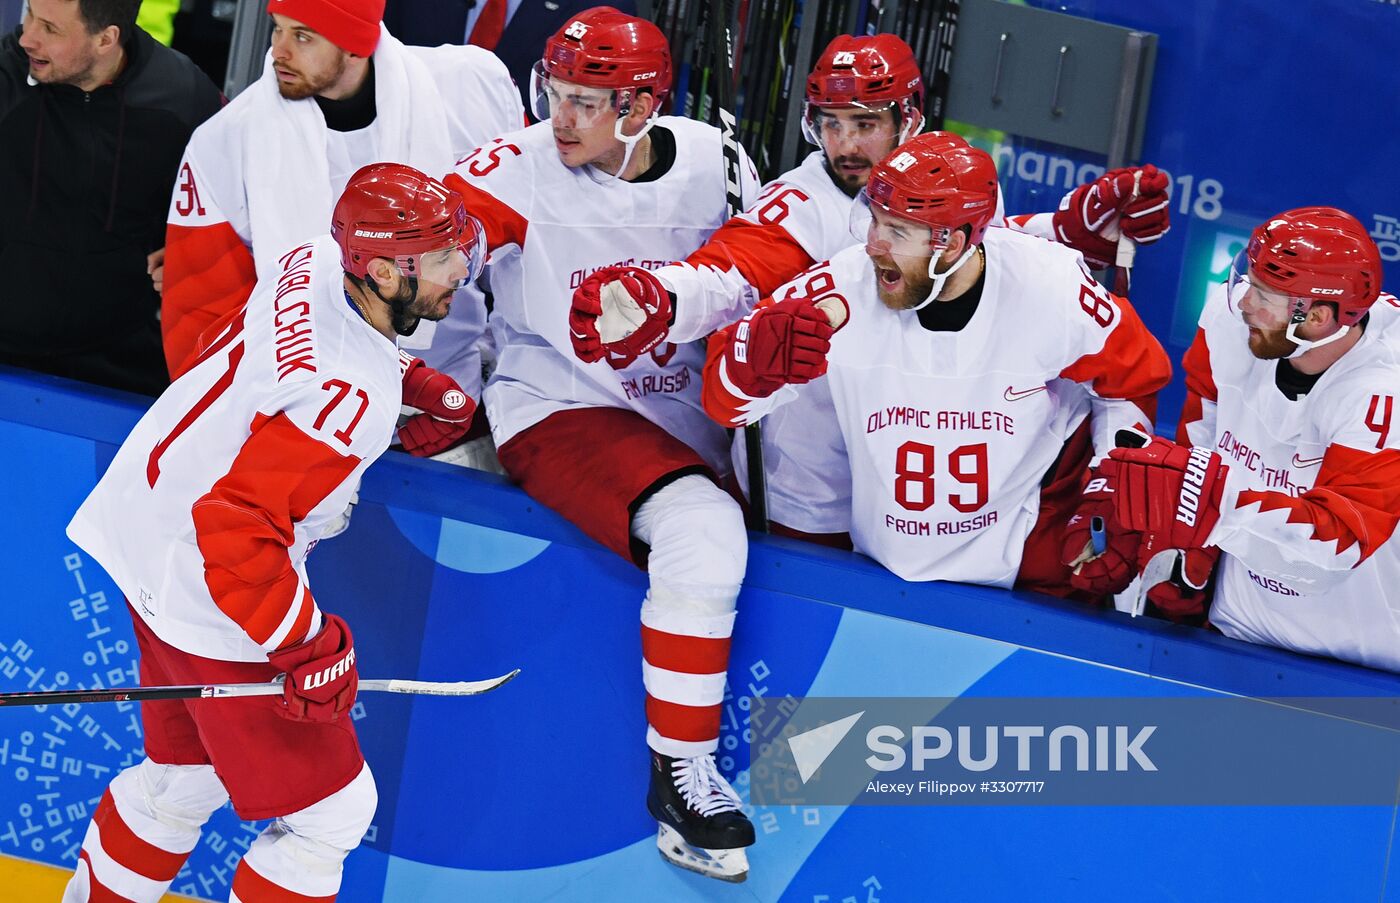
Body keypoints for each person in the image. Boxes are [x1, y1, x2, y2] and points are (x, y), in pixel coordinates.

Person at [569, 34, 1171, 566]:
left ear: (908, 120)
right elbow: (726, 273)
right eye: (830, 125)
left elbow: (969, 256)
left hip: (916, 448)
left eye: (863, 124)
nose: (845, 145)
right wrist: (660, 297)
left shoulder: (937, 174)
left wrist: (1060, 230)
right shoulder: (804, 206)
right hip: (813, 480)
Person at [61, 163, 486, 902]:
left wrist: (412, 381)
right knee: (331, 815)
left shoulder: (314, 258)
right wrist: (307, 649)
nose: (460, 270)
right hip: (206, 583)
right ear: (385, 271)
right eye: (443, 256)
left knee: (183, 779)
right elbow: (234, 534)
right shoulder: (349, 398)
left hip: (144, 526)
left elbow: (296, 356)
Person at [440, 6, 761, 881]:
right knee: (701, 529)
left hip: (685, 420)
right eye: (555, 93)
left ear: (642, 107)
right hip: (560, 405)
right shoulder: (518, 168)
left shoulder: (718, 162)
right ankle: (682, 775)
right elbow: (437, 239)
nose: (562, 117)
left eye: (586, 102)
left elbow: (762, 273)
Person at [702, 133, 1171, 598]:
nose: (874, 245)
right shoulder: (839, 290)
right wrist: (749, 367)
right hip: (877, 564)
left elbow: (1132, 381)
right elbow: (726, 402)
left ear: (953, 243)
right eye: (874, 220)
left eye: (898, 231)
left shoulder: (1049, 286)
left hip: (1023, 559)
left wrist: (1112, 484)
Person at [160, 0, 522, 444]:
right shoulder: (224, 140)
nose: (278, 51)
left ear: (355, 45)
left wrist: (508, 382)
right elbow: (200, 314)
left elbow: (523, 249)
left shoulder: (469, 90)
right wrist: (242, 431)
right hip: (304, 417)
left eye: (303, 36)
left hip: (458, 400)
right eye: (277, 29)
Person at [1105, 207, 1400, 666]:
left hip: (1362, 664)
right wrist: (1185, 546)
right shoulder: (1230, 324)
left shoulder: (1384, 390)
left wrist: (1213, 505)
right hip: (1234, 631)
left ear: (1317, 317)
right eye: (1249, 281)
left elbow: (1339, 543)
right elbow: (1201, 440)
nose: (1244, 302)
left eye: (1264, 295)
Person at [0, 0, 221, 396]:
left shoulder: (183, 98)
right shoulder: (6, 78)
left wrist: (191, 252)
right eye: (30, 13)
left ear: (106, 39)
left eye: (50, 28)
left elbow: (229, 212)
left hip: (119, 360)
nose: (27, 37)